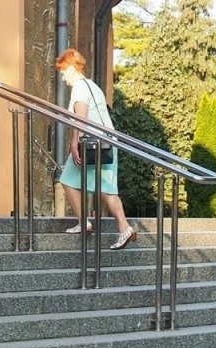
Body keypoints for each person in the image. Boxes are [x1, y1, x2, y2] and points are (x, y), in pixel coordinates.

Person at [55, 49, 136, 250]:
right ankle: (124, 227)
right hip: (106, 143)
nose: (63, 78)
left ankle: (86, 222)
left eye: (64, 72)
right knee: (106, 189)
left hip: (92, 144)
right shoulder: (93, 86)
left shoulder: (79, 87)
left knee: (67, 180)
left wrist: (74, 142)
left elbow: (81, 118)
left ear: (71, 69)